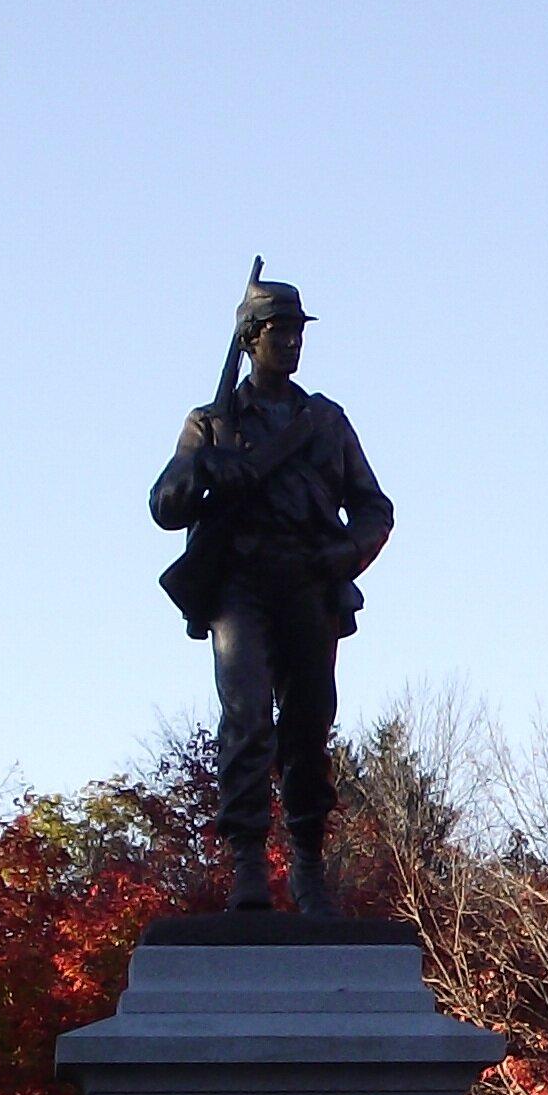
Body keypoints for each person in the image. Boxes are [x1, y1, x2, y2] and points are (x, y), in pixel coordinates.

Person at [151, 273, 396, 914]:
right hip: (241, 585)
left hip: (309, 583)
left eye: (296, 334)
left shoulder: (325, 422)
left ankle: (309, 867)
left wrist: (343, 554)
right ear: (250, 340)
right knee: (248, 720)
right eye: (278, 334)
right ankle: (248, 868)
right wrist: (203, 466)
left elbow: (374, 508)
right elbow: (165, 507)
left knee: (310, 725)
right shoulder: (210, 423)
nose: (291, 345)